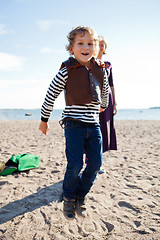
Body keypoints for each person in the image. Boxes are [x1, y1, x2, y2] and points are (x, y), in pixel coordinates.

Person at [39, 26, 109, 220]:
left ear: (96, 47)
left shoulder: (101, 71)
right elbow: (50, 95)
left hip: (94, 126)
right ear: (71, 48)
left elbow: (105, 93)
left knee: (95, 164)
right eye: (80, 43)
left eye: (90, 43)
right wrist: (44, 120)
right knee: (75, 165)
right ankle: (69, 197)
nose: (86, 47)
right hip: (73, 126)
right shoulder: (66, 71)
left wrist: (103, 104)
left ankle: (81, 195)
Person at [97, 36, 117, 156]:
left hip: (108, 100)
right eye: (98, 44)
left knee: (105, 128)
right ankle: (89, 159)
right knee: (95, 128)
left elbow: (112, 84)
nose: (100, 47)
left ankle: (99, 160)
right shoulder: (90, 62)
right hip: (94, 100)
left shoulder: (108, 64)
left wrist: (115, 102)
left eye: (102, 45)